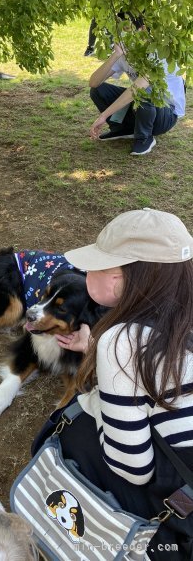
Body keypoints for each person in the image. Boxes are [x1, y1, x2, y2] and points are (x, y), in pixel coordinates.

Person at [51, 208, 193, 558]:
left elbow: (134, 467)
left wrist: (96, 399)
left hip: (181, 504)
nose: (86, 272)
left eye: (94, 266)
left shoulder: (123, 342)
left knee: (69, 427)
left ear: (118, 278)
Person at [88, 12, 186, 155]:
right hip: (143, 105)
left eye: (126, 28)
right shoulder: (128, 52)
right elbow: (94, 82)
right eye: (119, 28)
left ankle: (144, 138)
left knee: (143, 91)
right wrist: (116, 55)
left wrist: (103, 116)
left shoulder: (159, 52)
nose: (122, 33)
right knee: (98, 90)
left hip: (166, 114)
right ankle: (122, 129)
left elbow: (138, 87)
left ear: (143, 29)